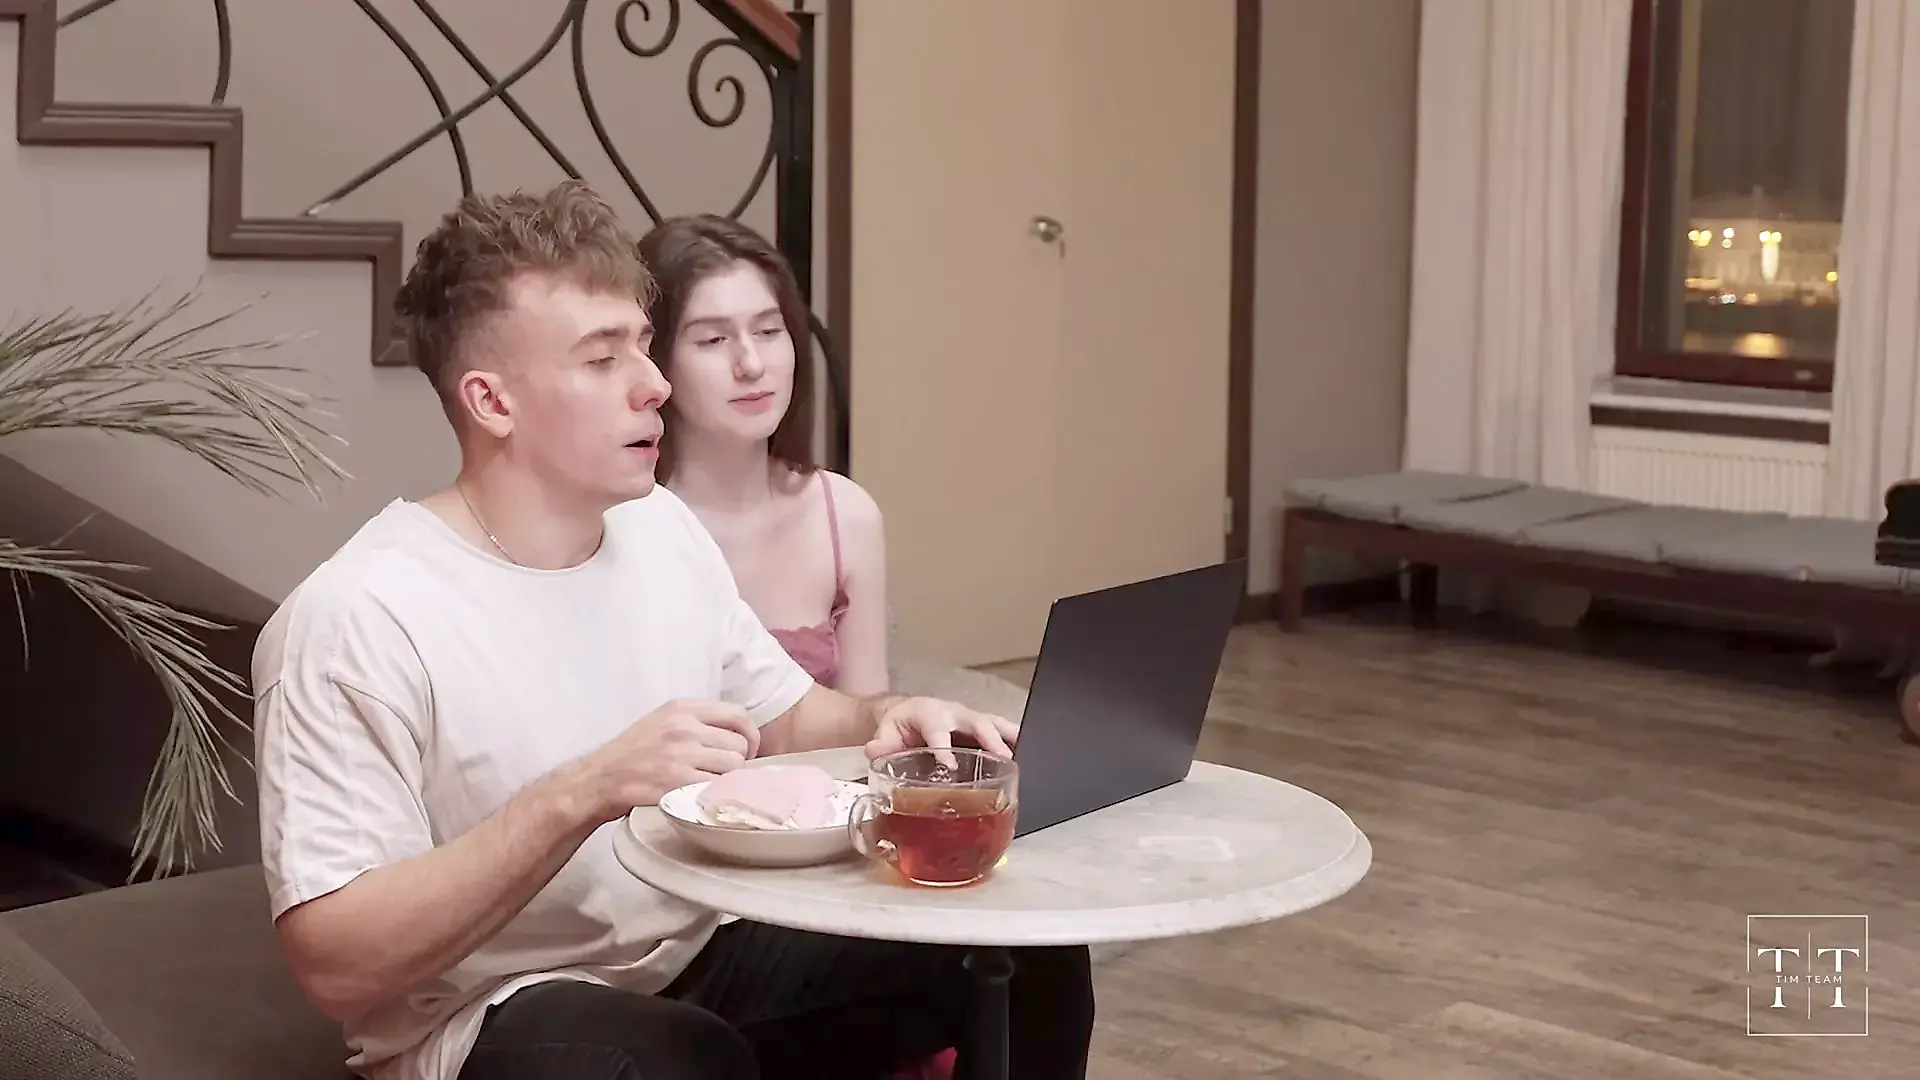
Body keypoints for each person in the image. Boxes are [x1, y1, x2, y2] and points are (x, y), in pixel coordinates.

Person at [249, 181, 1095, 1080]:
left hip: (696, 954)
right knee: (671, 1060)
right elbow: (337, 963)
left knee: (1024, 952)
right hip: (492, 1008)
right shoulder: (355, 618)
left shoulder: (656, 526)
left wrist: (886, 716)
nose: (654, 386)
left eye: (642, 345)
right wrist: (584, 792)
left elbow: (786, 716)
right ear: (493, 402)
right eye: (601, 358)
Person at [639, 214, 887, 696]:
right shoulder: (619, 524)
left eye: (769, 331)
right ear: (655, 359)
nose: (751, 364)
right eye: (713, 340)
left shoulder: (846, 516)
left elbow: (868, 719)